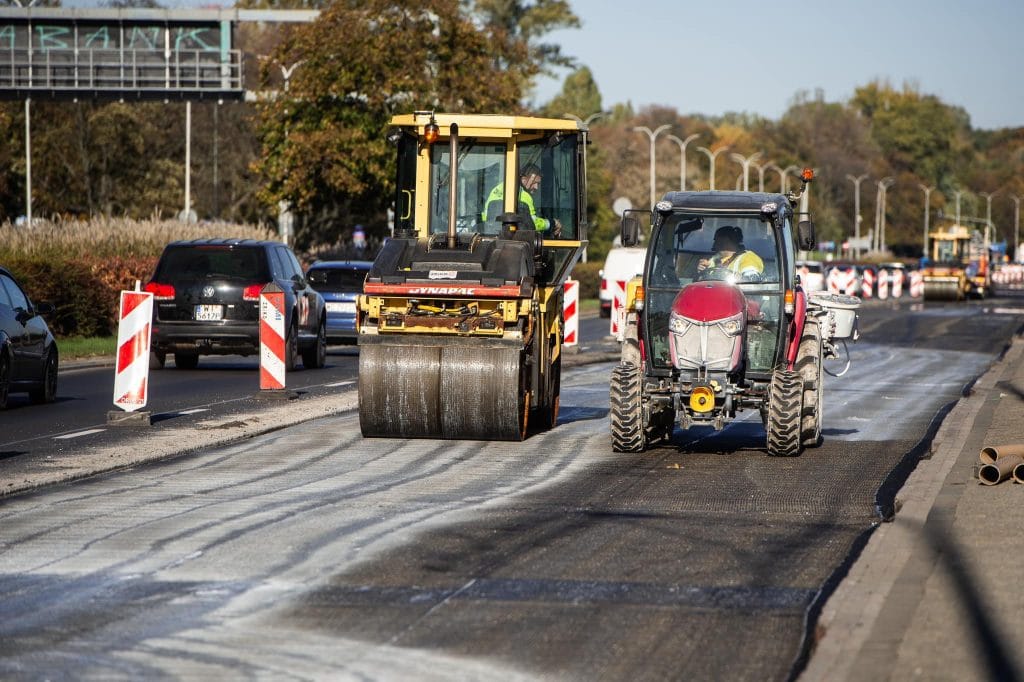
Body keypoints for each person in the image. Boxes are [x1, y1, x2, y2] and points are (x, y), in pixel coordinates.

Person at [482, 163, 562, 236]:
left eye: (538, 184)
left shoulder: (496, 189)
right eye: (535, 183)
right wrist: (552, 223)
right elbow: (533, 223)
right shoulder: (524, 197)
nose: (536, 187)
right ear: (524, 179)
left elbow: (485, 217)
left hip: (492, 236)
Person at [697, 225, 764, 281]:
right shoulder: (714, 259)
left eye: (716, 240)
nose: (714, 245)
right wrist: (702, 271)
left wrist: (740, 279)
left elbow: (752, 280)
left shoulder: (748, 257)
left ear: (726, 241)